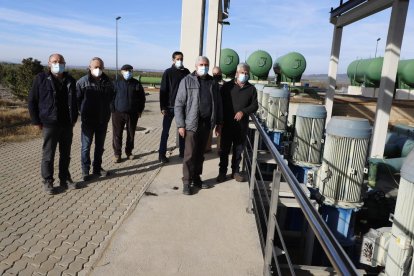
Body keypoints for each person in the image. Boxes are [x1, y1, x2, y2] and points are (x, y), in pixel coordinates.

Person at [28, 53, 78, 194]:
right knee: (48, 155)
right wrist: (36, 121)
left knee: (65, 154)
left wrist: (74, 117)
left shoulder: (70, 80)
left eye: (60, 61)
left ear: (64, 63)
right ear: (49, 64)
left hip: (67, 123)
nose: (58, 64)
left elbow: (74, 101)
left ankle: (65, 179)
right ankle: (48, 181)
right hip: (49, 123)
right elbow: (32, 101)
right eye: (54, 61)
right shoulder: (40, 79)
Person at [175, 56, 222, 195]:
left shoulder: (213, 83)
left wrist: (219, 123)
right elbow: (179, 104)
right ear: (196, 66)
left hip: (206, 124)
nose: (204, 67)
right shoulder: (187, 81)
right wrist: (180, 125)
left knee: (200, 155)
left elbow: (218, 104)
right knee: (189, 155)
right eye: (201, 64)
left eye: (206, 64)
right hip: (191, 124)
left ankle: (196, 178)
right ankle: (186, 182)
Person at [216, 63, 258, 183]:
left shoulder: (251, 89)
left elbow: (255, 105)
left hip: (241, 126)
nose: (244, 75)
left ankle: (235, 172)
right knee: (224, 150)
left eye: (246, 73)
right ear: (236, 74)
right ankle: (222, 172)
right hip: (227, 125)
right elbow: (220, 105)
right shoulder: (227, 87)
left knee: (238, 150)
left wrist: (243, 112)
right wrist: (219, 123)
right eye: (242, 72)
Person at [76, 57, 115, 181]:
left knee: (100, 146)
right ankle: (85, 171)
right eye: (95, 67)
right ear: (90, 67)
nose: (98, 69)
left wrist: (108, 111)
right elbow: (76, 100)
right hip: (88, 121)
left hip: (102, 120)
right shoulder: (82, 82)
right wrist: (82, 112)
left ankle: (97, 168)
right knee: (86, 147)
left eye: (100, 67)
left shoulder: (108, 82)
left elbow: (112, 98)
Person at [158, 51, 190, 163]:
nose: (180, 60)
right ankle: (161, 154)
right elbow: (163, 90)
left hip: (182, 107)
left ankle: (182, 152)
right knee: (165, 131)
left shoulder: (186, 72)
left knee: (182, 131)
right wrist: (163, 107)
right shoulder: (168, 72)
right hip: (170, 107)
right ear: (173, 60)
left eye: (181, 58)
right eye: (177, 59)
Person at [112, 64, 146, 162]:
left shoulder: (136, 84)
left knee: (131, 134)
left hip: (132, 113)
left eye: (130, 70)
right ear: (121, 72)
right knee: (117, 134)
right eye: (126, 70)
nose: (128, 72)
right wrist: (113, 109)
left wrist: (140, 110)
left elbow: (142, 98)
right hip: (118, 113)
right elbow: (111, 97)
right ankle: (117, 154)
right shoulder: (116, 83)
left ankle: (129, 152)